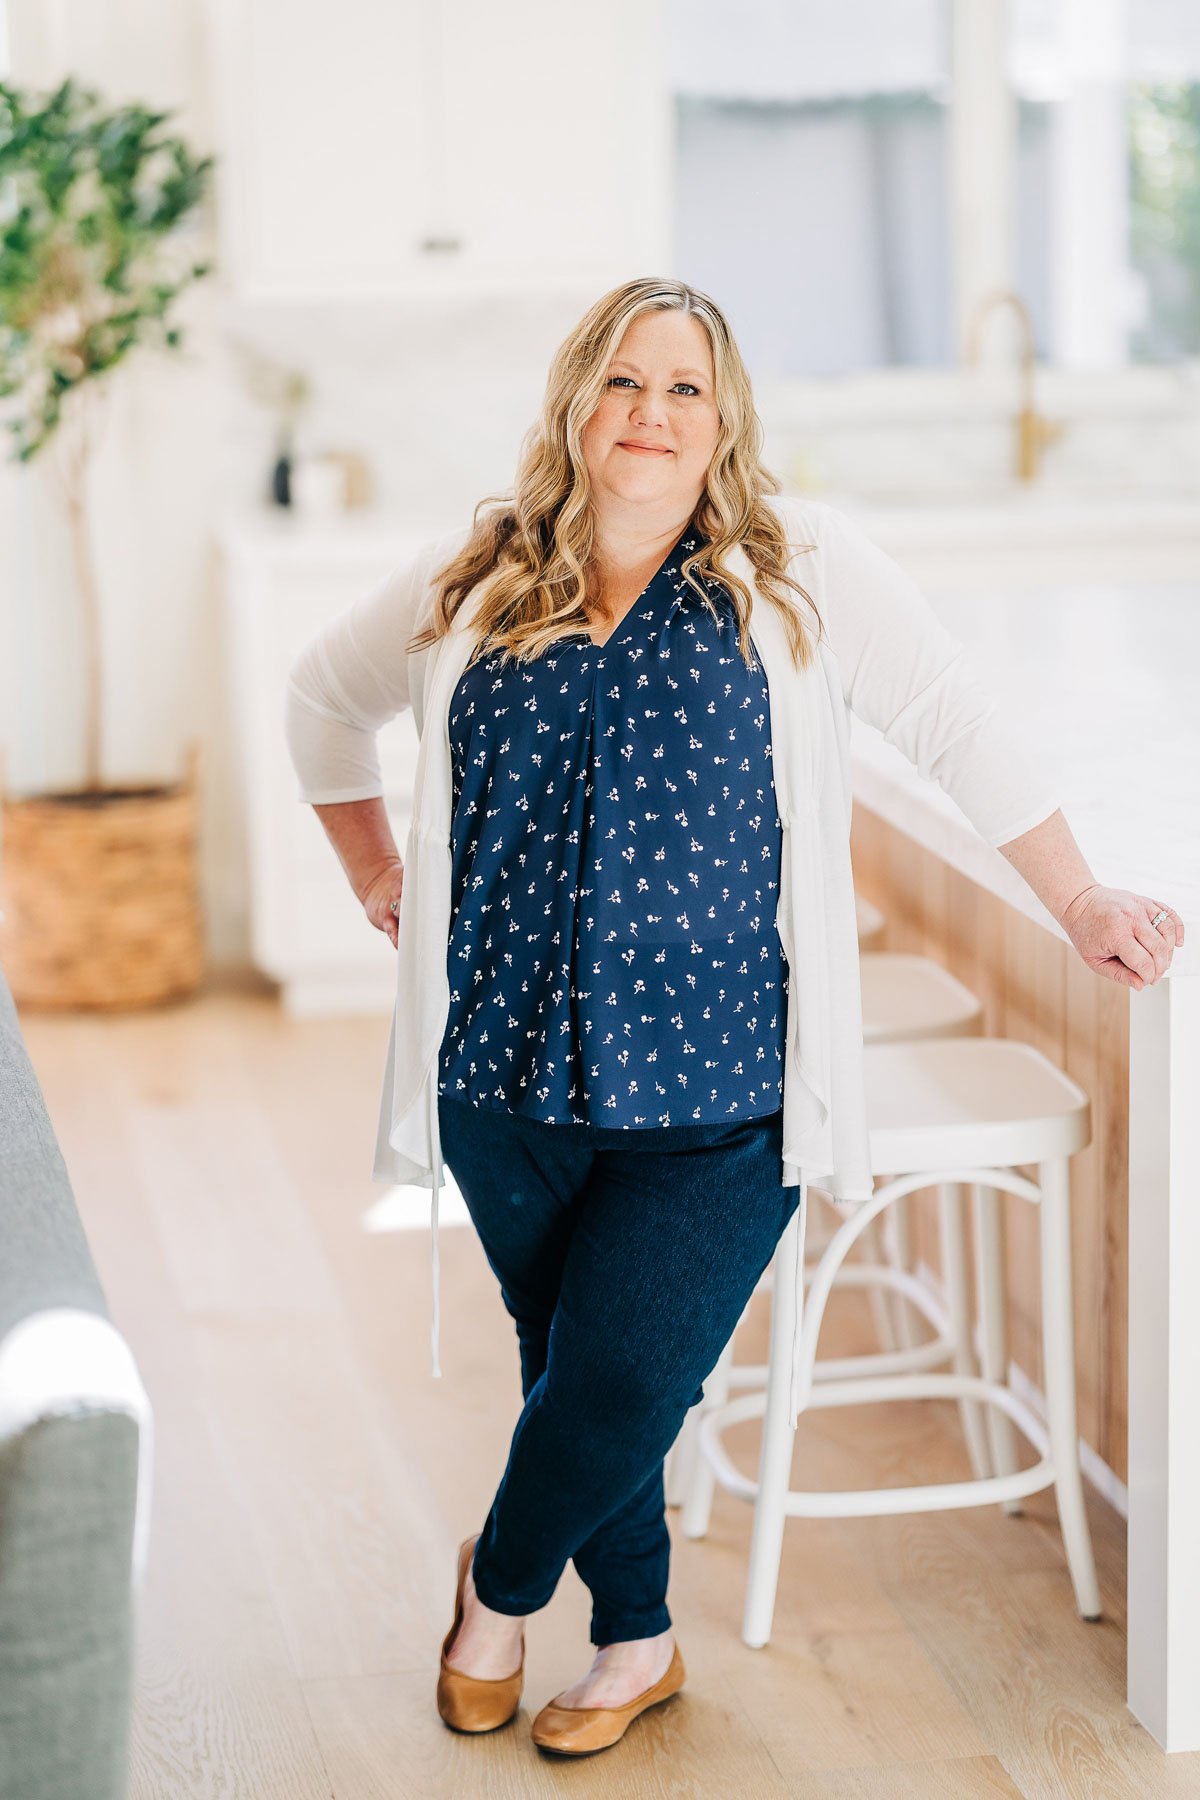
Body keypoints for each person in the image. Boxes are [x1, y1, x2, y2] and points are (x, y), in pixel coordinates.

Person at [284, 277, 1182, 1757]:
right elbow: (321, 700)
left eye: (684, 389)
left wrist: (1080, 899)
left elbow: (953, 717)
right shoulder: (480, 573)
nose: (650, 412)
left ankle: (494, 1595)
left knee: (633, 1368)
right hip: (502, 1073)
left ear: (726, 419)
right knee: (577, 1367)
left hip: (723, 1082)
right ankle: (635, 1642)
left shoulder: (798, 565)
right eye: (623, 382)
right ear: (576, 400)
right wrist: (374, 865)